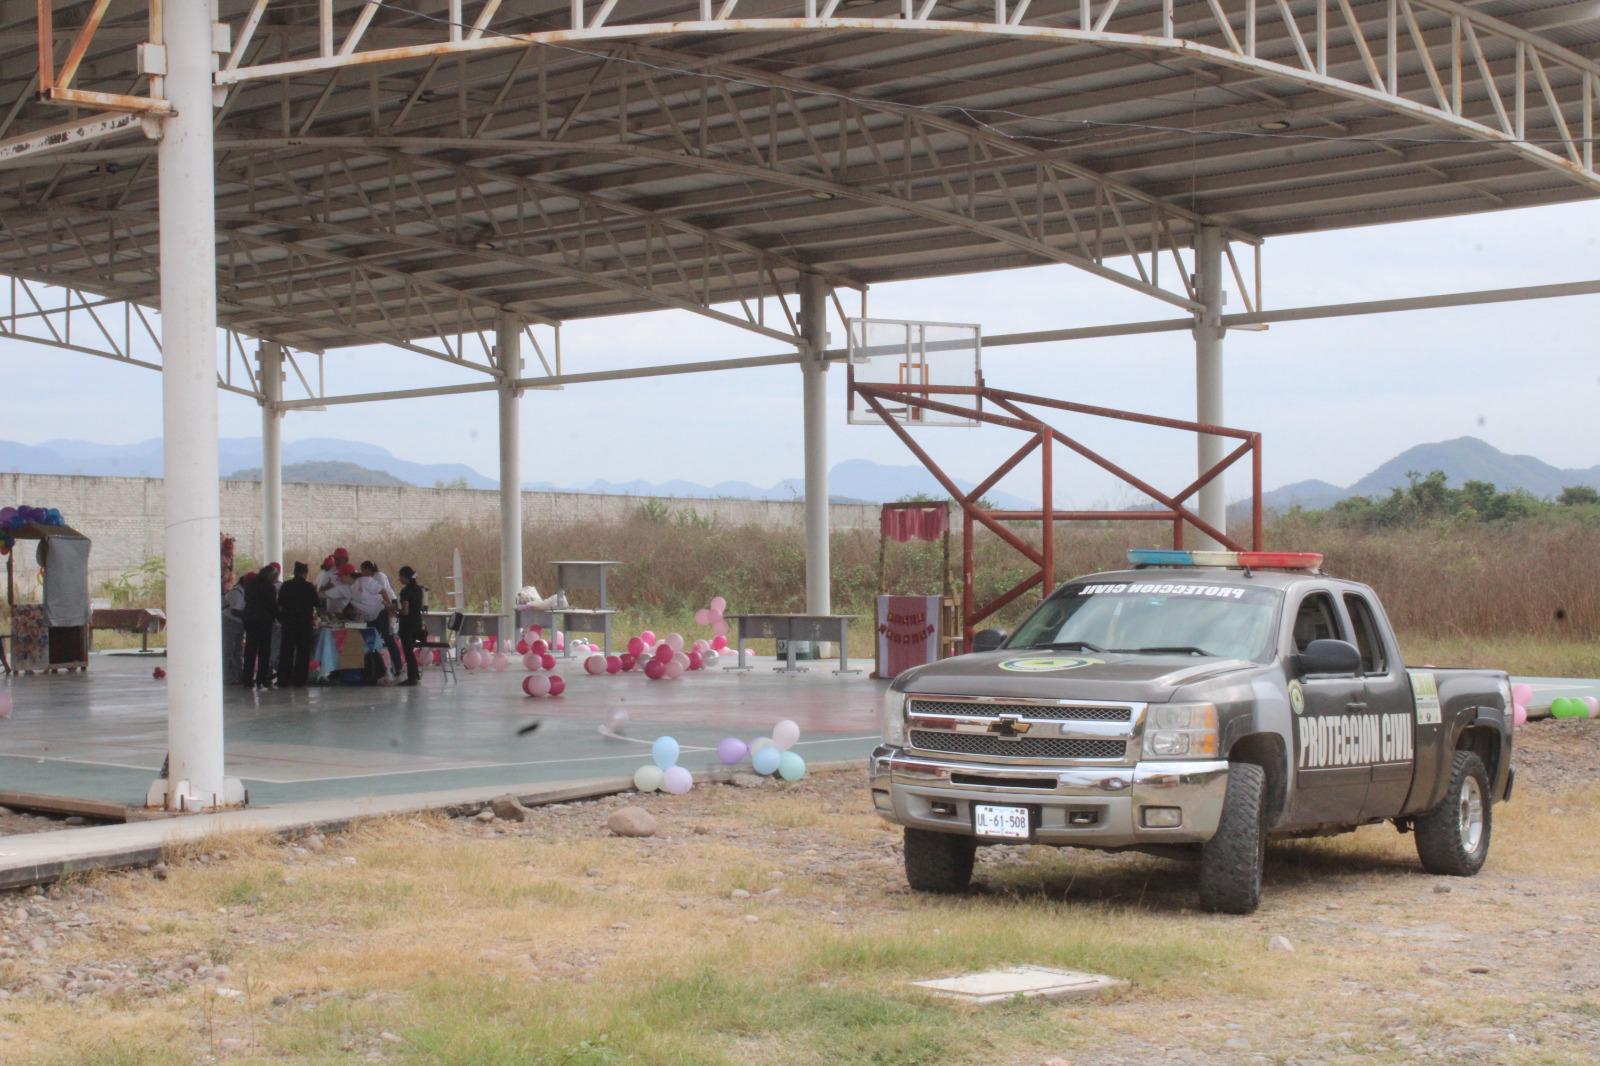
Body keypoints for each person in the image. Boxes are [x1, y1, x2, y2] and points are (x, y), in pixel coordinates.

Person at [348, 564, 394, 684]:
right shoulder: (356, 585)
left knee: (385, 640)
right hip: (373, 613)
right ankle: (377, 670)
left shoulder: (369, 580)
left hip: (381, 611)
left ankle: (392, 669)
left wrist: (389, 607)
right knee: (371, 643)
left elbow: (383, 592)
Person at [276, 561, 319, 688]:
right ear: (304, 573)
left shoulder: (286, 586)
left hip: (288, 623)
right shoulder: (309, 587)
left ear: (294, 572)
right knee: (303, 652)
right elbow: (317, 603)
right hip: (304, 624)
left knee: (286, 652)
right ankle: (300, 680)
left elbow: (280, 603)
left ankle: (284, 679)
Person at [360, 560, 405, 679]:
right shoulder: (370, 579)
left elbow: (383, 594)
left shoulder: (378, 576)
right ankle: (374, 667)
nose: (362, 574)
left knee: (389, 639)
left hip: (386, 606)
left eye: (363, 571)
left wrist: (390, 611)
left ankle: (398, 667)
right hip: (377, 609)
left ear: (368, 570)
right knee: (371, 639)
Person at [239, 564, 279, 688]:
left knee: (250, 650)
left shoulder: (251, 585)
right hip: (263, 621)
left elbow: (247, 600)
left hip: (250, 620)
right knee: (264, 651)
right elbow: (271, 606)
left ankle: (247, 679)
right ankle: (262, 679)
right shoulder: (269, 587)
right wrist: (281, 618)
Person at [396, 565, 426, 685]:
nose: (399, 579)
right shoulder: (418, 589)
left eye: (400, 577)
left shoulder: (405, 591)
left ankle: (411, 677)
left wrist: (395, 610)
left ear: (405, 577)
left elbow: (405, 611)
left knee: (408, 652)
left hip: (407, 625)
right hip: (417, 623)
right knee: (410, 650)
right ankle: (415, 675)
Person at [221, 577, 246, 683]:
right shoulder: (237, 591)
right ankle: (228, 677)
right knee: (229, 650)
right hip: (230, 622)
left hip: (237, 623)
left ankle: (238, 676)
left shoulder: (242, 591)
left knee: (237, 651)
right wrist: (248, 615)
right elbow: (235, 610)